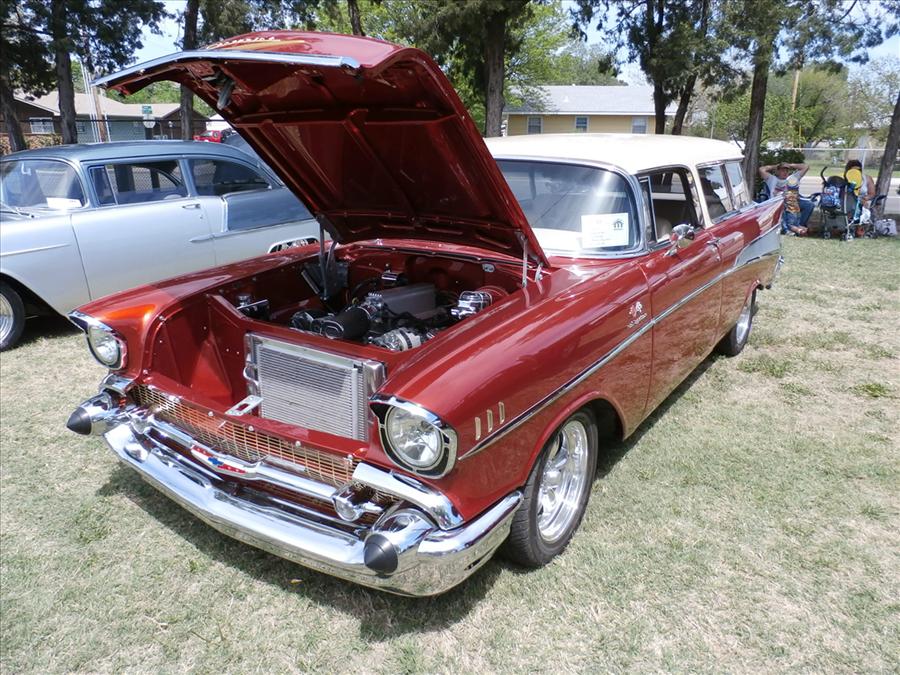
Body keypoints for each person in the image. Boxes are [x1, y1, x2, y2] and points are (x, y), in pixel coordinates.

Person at [759, 161, 811, 235]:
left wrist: (790, 165)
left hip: (792, 202)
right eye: (782, 170)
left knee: (808, 205)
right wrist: (775, 166)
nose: (785, 172)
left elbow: (805, 167)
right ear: (777, 171)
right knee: (782, 206)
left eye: (787, 170)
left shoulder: (792, 178)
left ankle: (798, 225)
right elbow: (761, 169)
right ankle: (788, 229)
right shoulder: (771, 179)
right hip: (777, 203)